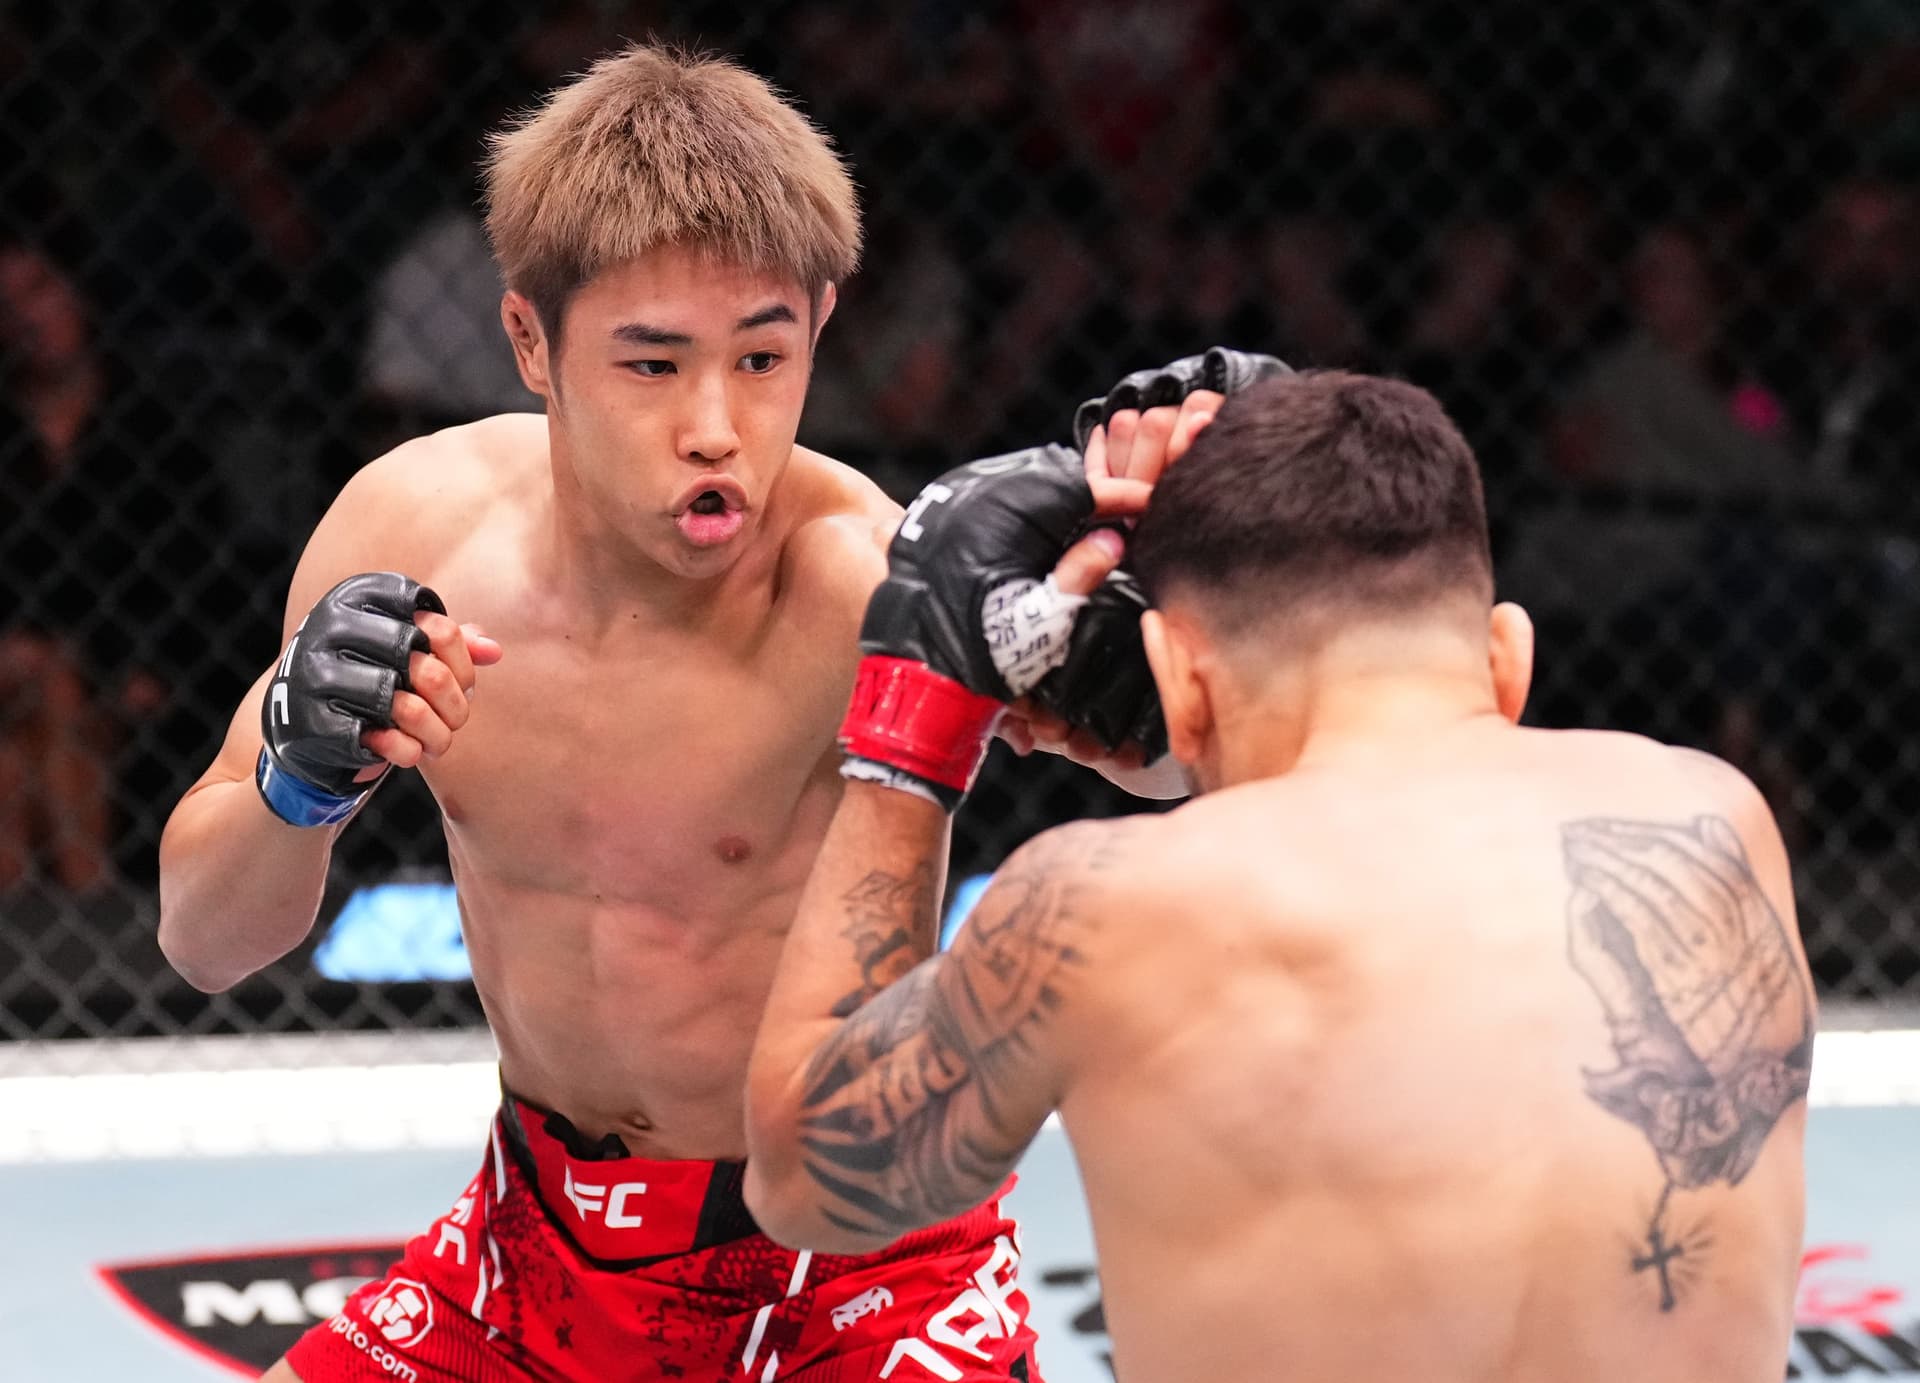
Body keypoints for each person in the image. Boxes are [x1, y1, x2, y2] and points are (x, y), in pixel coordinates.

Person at [157, 43, 1178, 1383]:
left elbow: (1165, 767)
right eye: (653, 366)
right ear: (531, 339)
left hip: (855, 1267)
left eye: (764, 355)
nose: (717, 426)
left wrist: (1139, 641)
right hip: (526, 1256)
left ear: (823, 319)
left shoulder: (868, 581)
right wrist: (301, 777)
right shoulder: (411, 533)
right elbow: (204, 940)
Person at [745, 368, 1814, 1382]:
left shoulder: (1100, 908)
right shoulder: (1716, 821)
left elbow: (800, 1178)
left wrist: (919, 724)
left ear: (1178, 682)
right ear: (1508, 656)